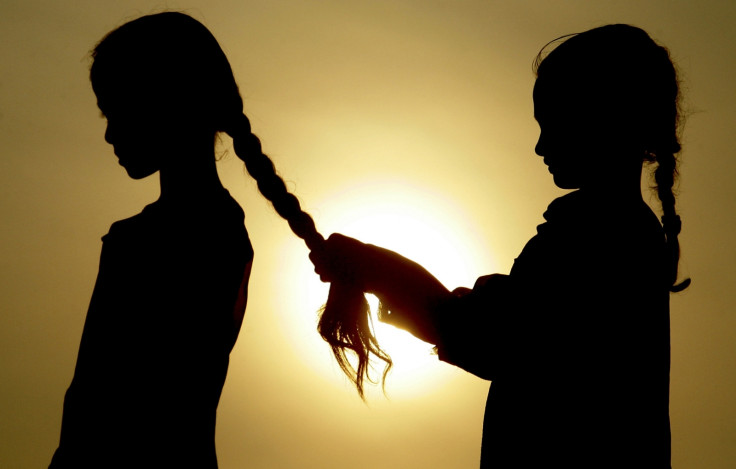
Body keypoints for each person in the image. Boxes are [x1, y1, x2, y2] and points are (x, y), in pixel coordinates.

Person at [310, 24, 689, 468]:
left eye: (555, 124)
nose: (541, 145)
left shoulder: (598, 236)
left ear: (602, 119)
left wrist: (384, 272)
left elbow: (496, 338)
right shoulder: (624, 233)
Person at [49, 12, 327, 468]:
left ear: (165, 102)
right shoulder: (223, 230)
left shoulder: (146, 242)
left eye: (115, 109)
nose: (108, 133)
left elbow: (92, 408)